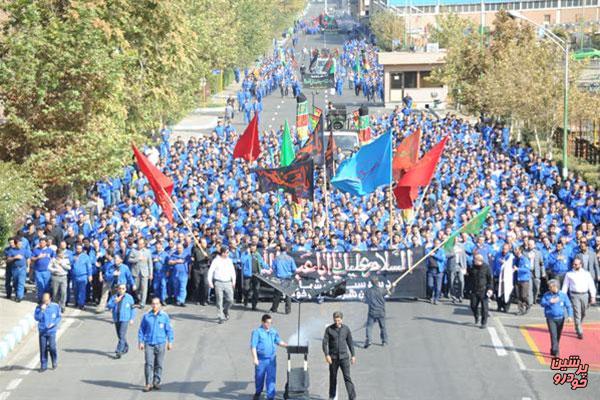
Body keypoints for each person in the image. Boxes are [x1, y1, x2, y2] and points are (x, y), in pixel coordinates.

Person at [138, 297, 174, 392]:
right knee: (148, 364)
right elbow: (141, 330)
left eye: (157, 303)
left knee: (159, 364)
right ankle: (148, 384)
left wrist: (170, 341)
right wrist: (141, 342)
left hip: (160, 343)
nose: (155, 305)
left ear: (160, 305)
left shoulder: (164, 316)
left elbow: (169, 330)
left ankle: (156, 382)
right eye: (153, 304)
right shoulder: (146, 317)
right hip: (149, 343)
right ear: (151, 305)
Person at [250, 314, 288, 400]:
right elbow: (253, 346)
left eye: (270, 323)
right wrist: (255, 358)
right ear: (262, 322)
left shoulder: (273, 331)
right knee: (259, 377)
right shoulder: (257, 332)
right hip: (261, 360)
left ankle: (270, 396)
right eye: (267, 323)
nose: (269, 325)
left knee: (271, 378)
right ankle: (258, 392)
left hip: (271, 359)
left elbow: (278, 341)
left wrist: (287, 345)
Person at [322, 311, 356, 400]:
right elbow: (324, 343)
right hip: (333, 358)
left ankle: (352, 397)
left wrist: (353, 355)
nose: (337, 322)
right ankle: (332, 396)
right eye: (335, 320)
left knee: (347, 377)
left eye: (339, 320)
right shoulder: (329, 329)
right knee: (333, 377)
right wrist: (327, 355)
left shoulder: (346, 329)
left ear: (342, 319)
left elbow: (350, 342)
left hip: (344, 358)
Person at [561, 258, 596, 339]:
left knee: (583, 313)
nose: (574, 265)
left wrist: (593, 296)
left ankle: (578, 324)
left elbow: (591, 285)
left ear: (581, 265)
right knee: (577, 313)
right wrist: (562, 297)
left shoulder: (586, 274)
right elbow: (565, 286)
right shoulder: (569, 274)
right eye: (573, 264)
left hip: (585, 295)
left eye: (576, 264)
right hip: (574, 295)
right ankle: (579, 330)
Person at [540, 279, 573, 357]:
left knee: (558, 335)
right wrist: (550, 302)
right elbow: (542, 303)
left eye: (551, 287)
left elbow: (568, 306)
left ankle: (553, 348)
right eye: (549, 287)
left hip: (561, 318)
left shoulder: (563, 295)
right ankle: (556, 351)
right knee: (553, 334)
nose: (549, 288)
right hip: (550, 318)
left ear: (556, 286)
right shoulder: (546, 295)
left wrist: (570, 316)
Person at [207, 246, 236, 324]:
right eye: (227, 252)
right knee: (219, 300)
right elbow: (210, 271)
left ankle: (225, 310)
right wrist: (210, 282)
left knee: (230, 300)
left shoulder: (229, 260)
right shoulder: (216, 261)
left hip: (228, 282)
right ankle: (220, 316)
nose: (228, 254)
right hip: (218, 282)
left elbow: (232, 271)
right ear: (222, 253)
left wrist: (234, 281)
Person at [34, 292, 61, 372]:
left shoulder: (55, 306)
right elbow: (37, 318)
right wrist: (42, 310)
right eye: (43, 300)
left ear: (50, 299)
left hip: (51, 331)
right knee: (43, 348)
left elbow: (58, 317)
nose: (45, 302)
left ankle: (54, 361)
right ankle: (43, 365)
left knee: (52, 347)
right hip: (42, 331)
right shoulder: (39, 307)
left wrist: (54, 323)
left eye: (46, 300)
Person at [107, 283, 136, 358]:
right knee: (120, 335)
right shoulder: (114, 297)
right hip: (117, 318)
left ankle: (119, 351)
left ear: (125, 289)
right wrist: (115, 302)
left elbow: (133, 309)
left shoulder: (129, 298)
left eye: (123, 289)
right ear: (118, 289)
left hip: (125, 319)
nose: (121, 290)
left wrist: (132, 318)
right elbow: (109, 306)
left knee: (122, 334)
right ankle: (125, 346)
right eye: (120, 288)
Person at [468, 254, 493, 329]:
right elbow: (470, 277)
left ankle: (483, 322)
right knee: (473, 306)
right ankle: (476, 316)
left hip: (483, 290)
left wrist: (490, 289)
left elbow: (490, 279)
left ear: (479, 260)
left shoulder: (486, 267)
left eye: (475, 260)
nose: (473, 261)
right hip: (474, 290)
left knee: (484, 308)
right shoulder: (472, 267)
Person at [270, 246, 297, 315]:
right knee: (288, 294)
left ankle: (274, 308)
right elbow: (294, 269)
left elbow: (273, 268)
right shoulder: (290, 258)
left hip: (279, 278)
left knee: (277, 294)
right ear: (286, 250)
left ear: (280, 250)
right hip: (288, 277)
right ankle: (288, 310)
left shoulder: (276, 258)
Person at [241, 242, 268, 310]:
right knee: (246, 289)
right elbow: (242, 261)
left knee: (256, 290)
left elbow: (262, 262)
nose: (253, 247)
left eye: (254, 246)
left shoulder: (257, 254)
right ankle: (246, 300)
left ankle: (254, 305)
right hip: (248, 274)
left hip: (256, 274)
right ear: (249, 247)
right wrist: (248, 254)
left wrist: (268, 268)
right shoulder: (245, 254)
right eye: (252, 246)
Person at [363, 276, 388, 348]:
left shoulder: (368, 291)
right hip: (381, 312)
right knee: (383, 327)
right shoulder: (382, 290)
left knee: (369, 327)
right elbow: (389, 292)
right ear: (378, 282)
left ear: (371, 283)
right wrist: (393, 287)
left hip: (372, 312)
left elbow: (365, 300)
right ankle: (384, 341)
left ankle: (369, 340)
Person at [129, 239, 153, 307]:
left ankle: (142, 303)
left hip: (144, 272)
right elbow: (129, 260)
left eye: (141, 244)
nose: (139, 245)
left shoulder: (147, 252)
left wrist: (151, 273)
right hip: (136, 272)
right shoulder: (133, 250)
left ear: (144, 244)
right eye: (138, 244)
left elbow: (150, 263)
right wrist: (137, 259)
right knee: (136, 288)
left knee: (144, 288)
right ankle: (139, 298)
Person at [31, 237, 56, 301]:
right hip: (38, 271)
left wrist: (52, 261)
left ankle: (47, 299)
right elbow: (32, 258)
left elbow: (54, 258)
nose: (41, 244)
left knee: (47, 286)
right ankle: (40, 299)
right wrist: (38, 257)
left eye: (43, 242)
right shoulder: (35, 250)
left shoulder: (50, 250)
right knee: (40, 285)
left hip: (47, 271)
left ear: (46, 243)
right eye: (40, 242)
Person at [4, 237, 28, 302]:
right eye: (10, 242)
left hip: (21, 268)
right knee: (11, 282)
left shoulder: (24, 250)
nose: (11, 244)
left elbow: (28, 258)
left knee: (20, 282)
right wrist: (15, 257)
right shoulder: (8, 250)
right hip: (11, 268)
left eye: (12, 242)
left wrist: (28, 267)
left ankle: (19, 297)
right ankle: (9, 294)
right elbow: (7, 259)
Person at [49, 248, 71, 312]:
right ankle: (55, 306)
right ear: (57, 254)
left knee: (63, 292)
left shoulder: (66, 260)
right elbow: (49, 267)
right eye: (60, 253)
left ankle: (62, 306)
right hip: (55, 277)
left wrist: (62, 264)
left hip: (63, 277)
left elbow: (69, 267)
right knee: (55, 292)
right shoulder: (53, 260)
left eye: (62, 253)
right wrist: (55, 270)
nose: (62, 254)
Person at [71, 244, 93, 310]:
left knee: (82, 290)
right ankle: (76, 302)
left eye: (80, 249)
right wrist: (73, 261)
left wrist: (90, 275)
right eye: (77, 248)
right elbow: (69, 265)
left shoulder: (86, 256)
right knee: (75, 290)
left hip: (83, 276)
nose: (78, 250)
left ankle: (81, 304)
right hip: (74, 276)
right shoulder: (72, 256)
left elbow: (89, 267)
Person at [190, 237, 210, 306]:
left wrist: (207, 256)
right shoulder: (195, 249)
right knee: (196, 285)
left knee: (205, 284)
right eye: (204, 243)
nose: (205, 244)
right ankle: (197, 299)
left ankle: (204, 300)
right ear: (200, 244)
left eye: (205, 243)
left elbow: (209, 259)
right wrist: (196, 245)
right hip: (197, 269)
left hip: (205, 269)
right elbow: (192, 254)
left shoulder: (207, 250)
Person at [426, 239, 446, 305]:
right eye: (435, 243)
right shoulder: (428, 250)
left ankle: (436, 298)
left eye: (438, 243)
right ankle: (431, 296)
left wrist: (434, 255)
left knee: (438, 286)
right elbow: (425, 255)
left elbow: (442, 259)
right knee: (430, 285)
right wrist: (430, 253)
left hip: (438, 271)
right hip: (430, 270)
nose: (437, 244)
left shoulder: (442, 251)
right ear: (433, 243)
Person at [513, 247, 531, 315]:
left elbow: (527, 270)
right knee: (518, 296)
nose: (515, 251)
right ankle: (520, 310)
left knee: (524, 295)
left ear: (520, 251)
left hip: (524, 279)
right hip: (517, 279)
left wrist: (518, 269)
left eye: (516, 249)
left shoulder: (525, 259)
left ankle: (528, 305)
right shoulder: (515, 259)